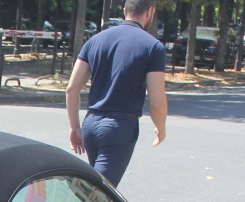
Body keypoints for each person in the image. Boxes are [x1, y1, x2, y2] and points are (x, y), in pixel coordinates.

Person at [64, 0, 168, 186]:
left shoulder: (94, 41)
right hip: (119, 128)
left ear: (124, 10)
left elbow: (72, 89)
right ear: (149, 12)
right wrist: (160, 127)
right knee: (99, 195)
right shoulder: (153, 47)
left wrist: (75, 127)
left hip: (91, 124)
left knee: (96, 191)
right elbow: (157, 101)